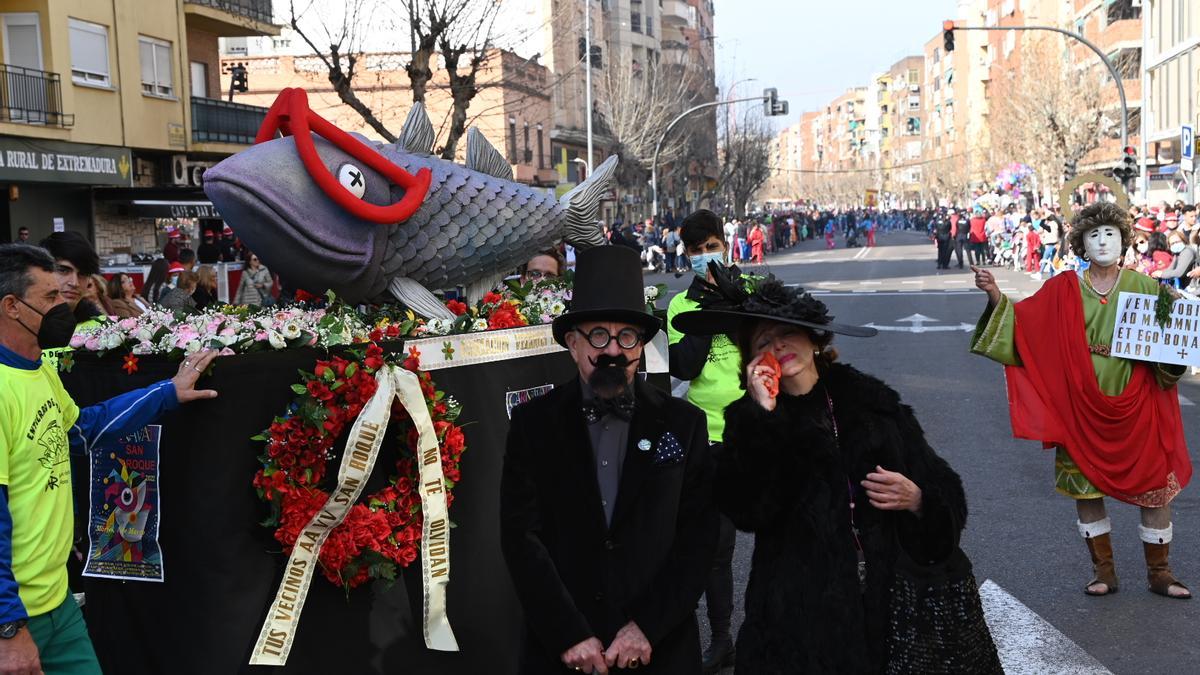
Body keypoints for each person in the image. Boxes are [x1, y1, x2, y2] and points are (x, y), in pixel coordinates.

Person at [672, 270, 998, 674]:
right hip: (797, 615)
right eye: (762, 342)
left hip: (887, 604)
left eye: (786, 334)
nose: (778, 346)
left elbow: (944, 487)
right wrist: (764, 415)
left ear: (814, 339)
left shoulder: (869, 400)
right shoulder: (748, 419)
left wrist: (918, 500)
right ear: (752, 359)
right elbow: (748, 511)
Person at [0, 243, 219, 674]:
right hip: (14, 620)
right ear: (11, 306)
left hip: (57, 604)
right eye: (48, 298)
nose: (63, 305)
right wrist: (8, 628)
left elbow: (81, 430)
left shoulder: (39, 367)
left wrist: (167, 393)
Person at [501, 245, 717, 674]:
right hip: (563, 655)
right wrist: (569, 634)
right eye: (599, 335)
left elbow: (698, 539)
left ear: (640, 346)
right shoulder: (532, 424)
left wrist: (647, 628)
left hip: (661, 652)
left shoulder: (685, 424)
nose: (613, 350)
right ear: (573, 343)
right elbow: (521, 538)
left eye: (627, 336)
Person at [972, 201, 1191, 599]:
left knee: (1156, 487)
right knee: (1086, 492)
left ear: (1123, 242)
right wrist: (994, 294)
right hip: (1079, 408)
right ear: (1081, 244)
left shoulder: (1147, 287)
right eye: (1094, 235)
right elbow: (1025, 324)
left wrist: (1178, 327)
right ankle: (1103, 571)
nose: (1103, 241)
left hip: (1137, 407)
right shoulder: (1063, 287)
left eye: (1111, 234)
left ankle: (1160, 573)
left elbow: (1170, 353)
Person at [665, 210, 742, 673]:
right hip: (709, 434)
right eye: (695, 252)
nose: (704, 257)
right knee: (717, 545)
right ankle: (722, 637)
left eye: (710, 247)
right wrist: (705, 307)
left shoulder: (747, 293)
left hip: (757, 432)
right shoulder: (680, 306)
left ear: (723, 244)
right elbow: (685, 368)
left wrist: (731, 300)